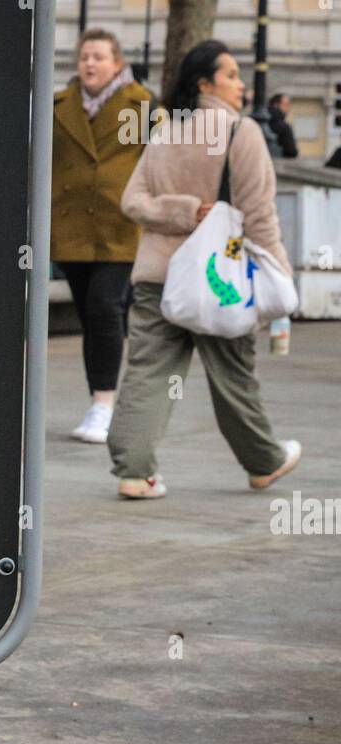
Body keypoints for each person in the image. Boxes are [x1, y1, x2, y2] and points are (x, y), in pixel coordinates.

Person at [106, 41, 300, 499]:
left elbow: (132, 203)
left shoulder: (164, 132)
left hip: (158, 277)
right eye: (231, 75)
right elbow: (259, 216)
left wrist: (181, 211)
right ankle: (263, 462)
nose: (241, 85)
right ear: (205, 83)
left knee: (147, 373)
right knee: (233, 374)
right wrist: (280, 275)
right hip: (221, 281)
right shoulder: (241, 133)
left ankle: (134, 472)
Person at [52, 29, 153, 444]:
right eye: (84, 57)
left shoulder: (142, 104)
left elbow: (157, 160)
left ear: (117, 62)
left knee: (105, 308)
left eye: (99, 57)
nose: (90, 64)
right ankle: (101, 400)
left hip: (121, 228)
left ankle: (104, 404)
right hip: (72, 227)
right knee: (91, 317)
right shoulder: (58, 104)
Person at [265, 94, 298, 159]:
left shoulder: (261, 119)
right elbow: (292, 152)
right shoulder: (284, 127)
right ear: (276, 105)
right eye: (286, 105)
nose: (288, 109)